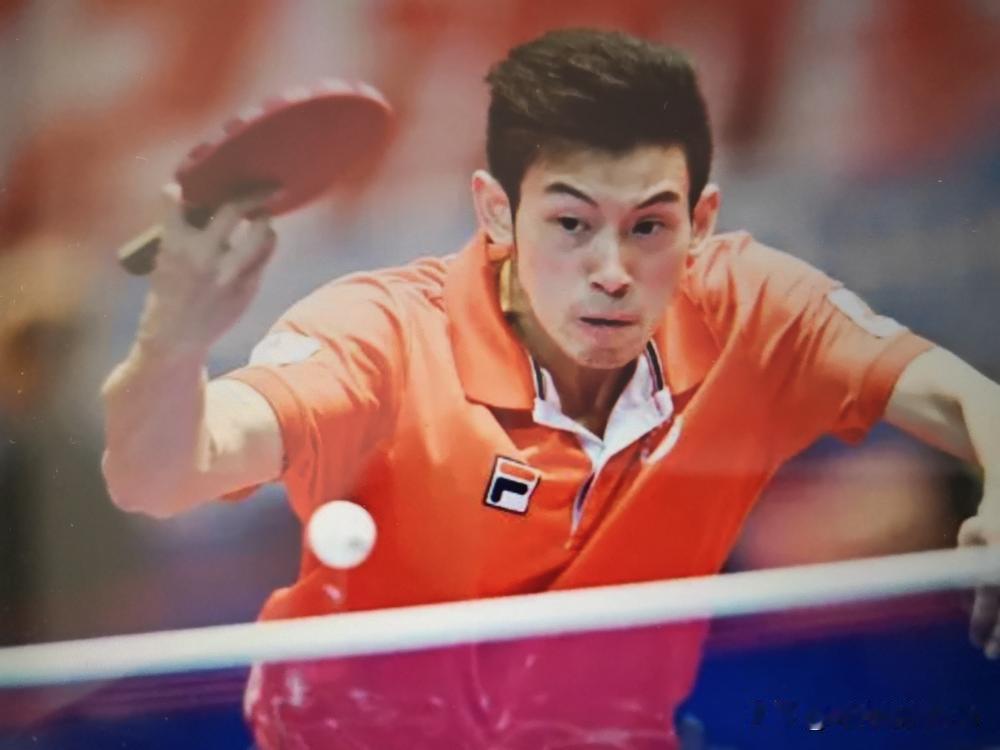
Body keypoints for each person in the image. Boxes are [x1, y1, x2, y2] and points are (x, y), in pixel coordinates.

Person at [102, 28, 1000, 750]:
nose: (612, 270)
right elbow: (166, 472)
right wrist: (172, 340)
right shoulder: (381, 335)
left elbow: (966, 399)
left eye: (649, 226)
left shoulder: (749, 308)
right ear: (498, 212)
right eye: (571, 223)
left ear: (702, 220)